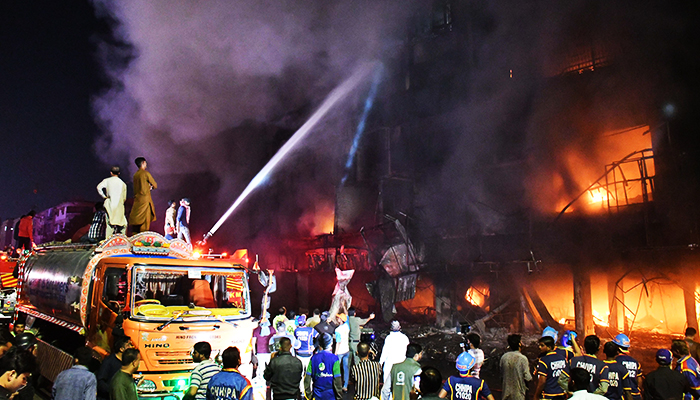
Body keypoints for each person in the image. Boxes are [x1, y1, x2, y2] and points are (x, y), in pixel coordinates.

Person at [305, 333, 342, 400]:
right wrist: (339, 396)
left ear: (319, 344)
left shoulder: (313, 358)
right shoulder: (334, 359)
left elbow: (307, 378)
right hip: (331, 395)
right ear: (331, 344)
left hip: (317, 394)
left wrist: (309, 395)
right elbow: (337, 379)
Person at [380, 321, 410, 400]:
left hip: (389, 365)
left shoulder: (389, 338)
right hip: (401, 365)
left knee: (387, 387)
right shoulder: (405, 338)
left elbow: (384, 352)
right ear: (400, 328)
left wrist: (380, 363)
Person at [97, 336, 132, 400]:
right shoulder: (108, 361)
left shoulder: (127, 362)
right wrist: (113, 391)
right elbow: (100, 382)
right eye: (128, 345)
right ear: (121, 349)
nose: (131, 347)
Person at [129, 157, 158, 233]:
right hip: (145, 200)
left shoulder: (135, 175)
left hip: (137, 200)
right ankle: (142, 240)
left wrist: (147, 186)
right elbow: (155, 185)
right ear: (143, 163)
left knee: (136, 221)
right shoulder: (146, 173)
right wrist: (150, 187)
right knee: (145, 222)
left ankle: (135, 239)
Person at [534, 335, 567, 400]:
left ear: (549, 347)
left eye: (542, 345)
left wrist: (536, 395)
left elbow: (542, 381)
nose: (539, 347)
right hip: (562, 395)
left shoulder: (544, 361)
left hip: (549, 395)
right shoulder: (563, 358)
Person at [97, 165, 128, 236]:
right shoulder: (123, 183)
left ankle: (108, 241)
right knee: (123, 224)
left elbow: (99, 188)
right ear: (119, 173)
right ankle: (122, 240)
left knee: (109, 224)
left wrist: (104, 196)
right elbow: (124, 197)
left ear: (111, 173)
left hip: (110, 204)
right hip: (119, 206)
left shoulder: (107, 180)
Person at [500, 334, 532, 400]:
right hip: (519, 395)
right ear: (519, 344)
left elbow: (501, 374)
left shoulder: (504, 357)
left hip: (506, 394)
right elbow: (528, 378)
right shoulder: (523, 359)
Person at [613, 334, 642, 400]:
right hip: (636, 395)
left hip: (624, 396)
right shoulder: (636, 362)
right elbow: (639, 381)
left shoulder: (616, 361)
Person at [335, 312, 351, 392]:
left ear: (340, 320)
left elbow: (338, 342)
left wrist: (335, 353)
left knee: (337, 369)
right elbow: (347, 317)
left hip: (340, 352)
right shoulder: (347, 326)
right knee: (346, 368)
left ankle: (337, 384)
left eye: (338, 318)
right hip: (346, 350)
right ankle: (345, 385)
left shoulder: (337, 330)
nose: (337, 319)